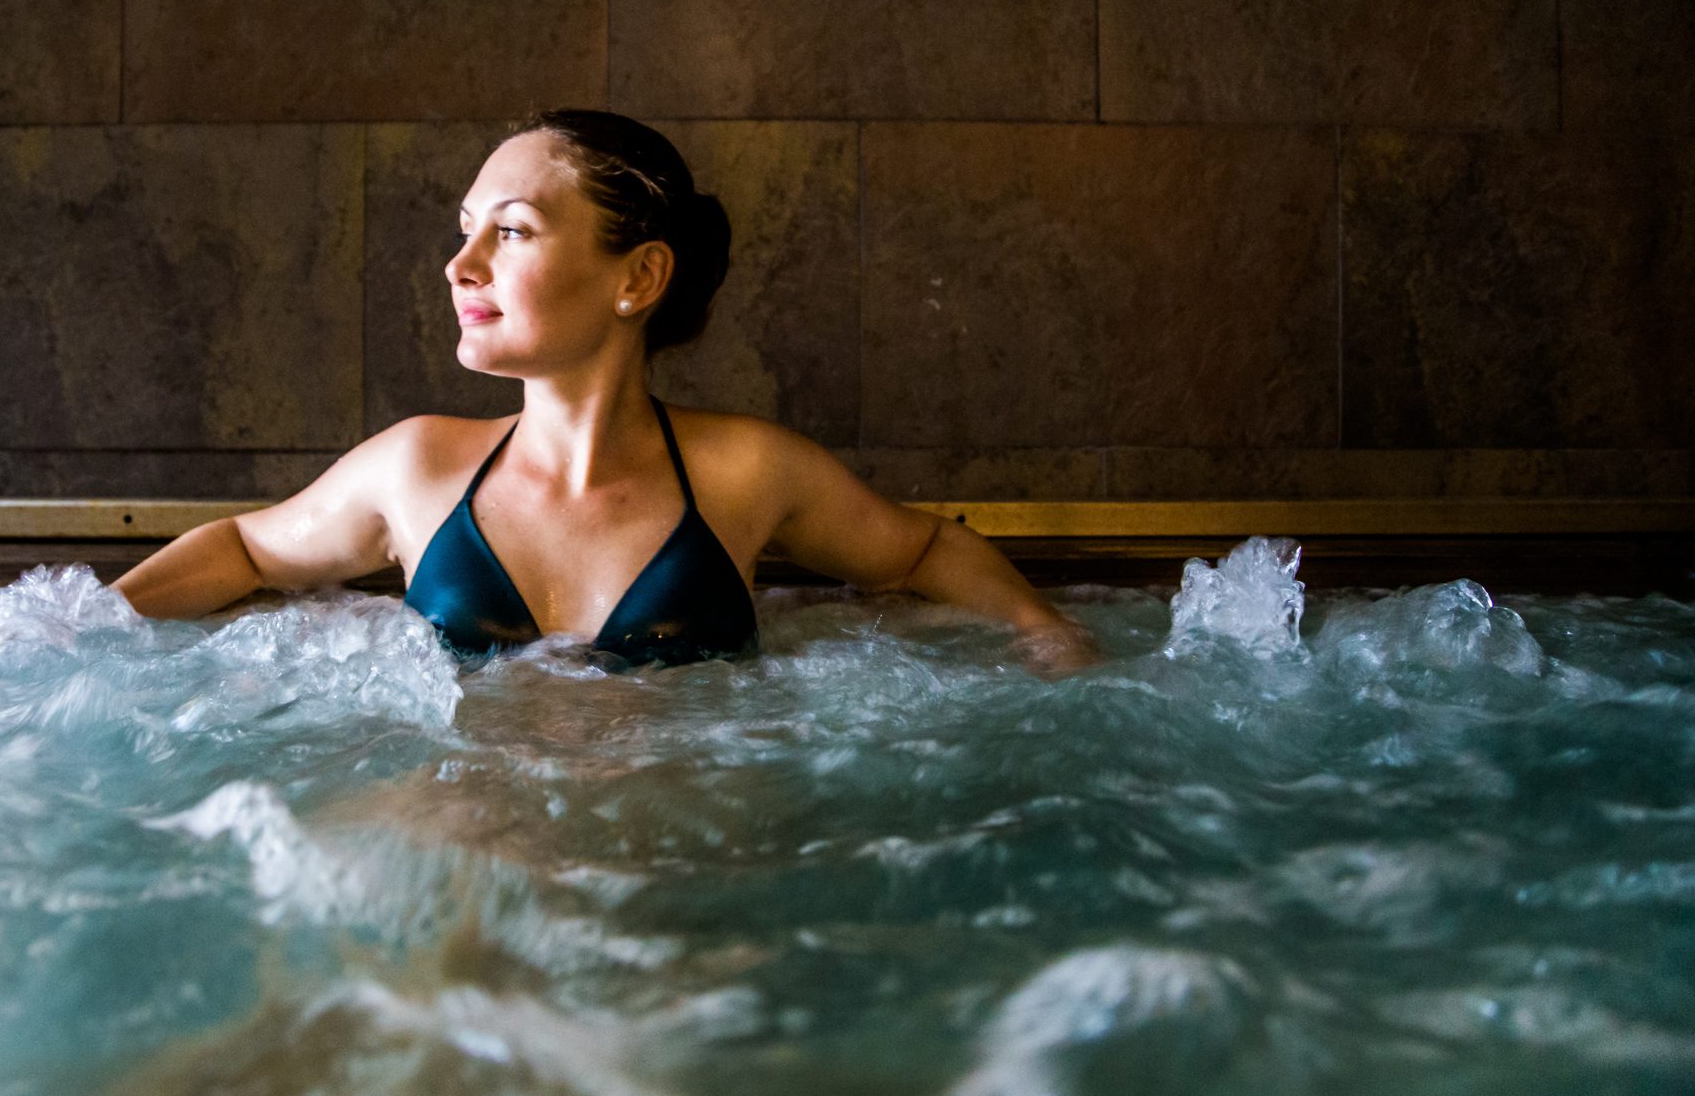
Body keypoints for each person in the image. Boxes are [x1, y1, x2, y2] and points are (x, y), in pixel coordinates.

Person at [109, 107, 1104, 677]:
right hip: (457, 850)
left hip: (666, 859)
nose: (459, 265)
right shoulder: (416, 468)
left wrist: (1045, 633)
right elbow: (246, 547)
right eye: (463, 230)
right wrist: (79, 625)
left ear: (638, 278)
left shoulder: (744, 473)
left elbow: (923, 546)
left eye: (509, 230)